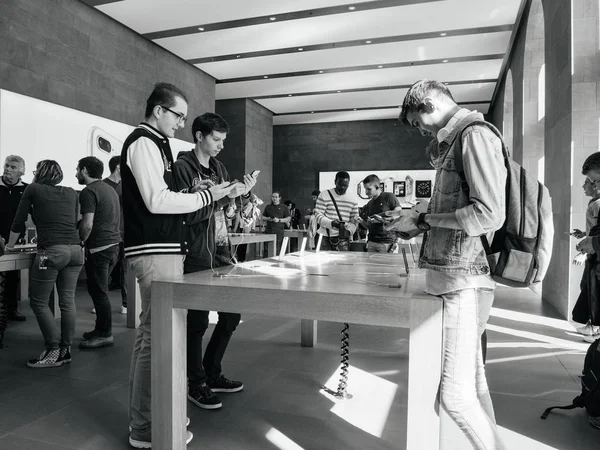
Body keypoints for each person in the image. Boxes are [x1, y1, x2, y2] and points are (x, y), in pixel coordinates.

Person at [392, 79, 507, 449]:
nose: (420, 130)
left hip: (463, 281)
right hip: (457, 277)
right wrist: (420, 222)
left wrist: (427, 219)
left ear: (429, 105)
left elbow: (488, 214)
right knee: (473, 385)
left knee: (455, 397)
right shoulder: (458, 140)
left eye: (417, 122)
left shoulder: (473, 136)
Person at [122, 82, 234, 448]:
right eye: (178, 116)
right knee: (156, 338)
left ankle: (153, 419)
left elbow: (165, 198)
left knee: (154, 337)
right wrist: (207, 195)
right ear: (158, 110)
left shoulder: (158, 144)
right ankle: (147, 426)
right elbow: (157, 200)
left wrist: (211, 195)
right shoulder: (143, 141)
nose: (181, 124)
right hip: (154, 250)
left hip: (165, 249)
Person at [172, 112, 256, 411]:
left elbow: (225, 212)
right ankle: (195, 384)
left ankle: (211, 373)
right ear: (199, 136)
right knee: (196, 323)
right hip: (195, 253)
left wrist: (239, 196)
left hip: (222, 251)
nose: (221, 145)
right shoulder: (182, 168)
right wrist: (220, 199)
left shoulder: (219, 167)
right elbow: (188, 214)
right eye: (216, 139)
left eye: (223, 140)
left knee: (231, 315)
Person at [6, 160, 84, 368]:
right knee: (67, 301)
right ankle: (65, 350)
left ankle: (52, 351)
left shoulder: (33, 188)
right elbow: (77, 219)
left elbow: (18, 220)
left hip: (48, 254)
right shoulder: (70, 192)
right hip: (76, 251)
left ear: (39, 173)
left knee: (39, 302)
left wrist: (10, 246)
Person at [76, 156, 121, 350]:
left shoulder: (89, 191)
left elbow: (87, 224)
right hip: (113, 246)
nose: (76, 173)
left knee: (99, 292)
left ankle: (105, 334)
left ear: (85, 170)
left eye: (78, 169)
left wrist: (79, 240)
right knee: (98, 290)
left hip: (99, 248)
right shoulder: (109, 189)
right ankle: (100, 329)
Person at [571, 178, 600, 337]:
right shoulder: (594, 204)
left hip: (595, 254)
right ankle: (592, 325)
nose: (583, 186)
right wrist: (583, 233)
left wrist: (583, 253)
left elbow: (597, 234)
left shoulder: (597, 204)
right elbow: (594, 230)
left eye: (586, 183)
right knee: (588, 287)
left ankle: (594, 327)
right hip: (593, 252)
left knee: (591, 289)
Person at [0, 155, 28, 321]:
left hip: (15, 241)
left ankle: (11, 309)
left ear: (21, 172)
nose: (8, 169)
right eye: (6, 166)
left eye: (13, 167)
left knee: (12, 276)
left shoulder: (26, 190)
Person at [103, 155, 128, 315]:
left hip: (127, 232)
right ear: (119, 167)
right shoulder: (104, 186)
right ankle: (101, 302)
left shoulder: (128, 186)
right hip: (110, 234)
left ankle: (126, 303)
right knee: (107, 268)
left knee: (126, 269)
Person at [313, 171, 359, 251]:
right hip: (324, 237)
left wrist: (349, 232)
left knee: (342, 263)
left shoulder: (352, 198)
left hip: (343, 239)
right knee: (323, 262)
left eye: (345, 185)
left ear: (348, 184)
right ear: (335, 182)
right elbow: (318, 215)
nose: (342, 188)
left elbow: (355, 219)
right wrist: (332, 223)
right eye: (340, 184)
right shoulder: (324, 195)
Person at [359, 174, 402, 253]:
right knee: (370, 265)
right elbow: (369, 226)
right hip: (372, 241)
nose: (366, 192)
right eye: (365, 189)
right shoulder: (369, 204)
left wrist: (383, 220)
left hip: (387, 242)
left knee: (385, 265)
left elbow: (398, 215)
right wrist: (361, 221)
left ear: (377, 187)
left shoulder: (389, 197)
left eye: (369, 189)